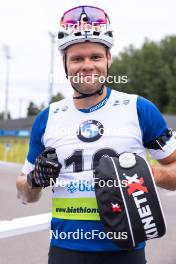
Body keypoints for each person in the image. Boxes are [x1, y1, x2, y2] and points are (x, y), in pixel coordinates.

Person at [16, 5, 176, 264]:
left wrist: (148, 173)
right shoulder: (47, 117)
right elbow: (24, 194)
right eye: (77, 59)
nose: (87, 65)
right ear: (65, 63)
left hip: (126, 251)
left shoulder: (139, 109)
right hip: (65, 251)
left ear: (109, 59)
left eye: (96, 57)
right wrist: (35, 179)